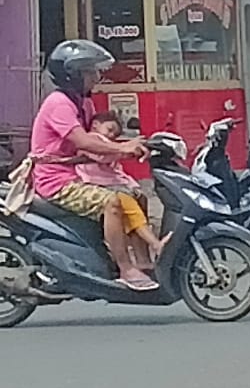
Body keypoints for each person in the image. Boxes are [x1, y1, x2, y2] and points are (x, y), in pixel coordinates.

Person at [28, 40, 154, 289]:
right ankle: (126, 269)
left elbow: (97, 142)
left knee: (136, 195)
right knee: (112, 203)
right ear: (71, 75)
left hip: (75, 175)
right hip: (55, 182)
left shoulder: (83, 103)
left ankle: (144, 263)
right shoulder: (58, 104)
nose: (96, 77)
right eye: (90, 72)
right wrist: (121, 148)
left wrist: (139, 144)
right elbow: (82, 140)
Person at [78, 111, 167, 266]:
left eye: (115, 134)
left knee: (140, 199)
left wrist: (132, 185)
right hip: (98, 185)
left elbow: (118, 173)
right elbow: (102, 155)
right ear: (95, 125)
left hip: (112, 184)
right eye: (109, 129)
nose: (111, 135)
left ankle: (143, 258)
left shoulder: (109, 145)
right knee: (128, 203)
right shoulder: (91, 140)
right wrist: (124, 149)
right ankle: (154, 244)